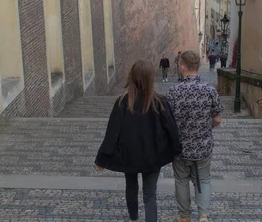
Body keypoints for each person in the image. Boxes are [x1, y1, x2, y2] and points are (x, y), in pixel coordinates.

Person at [95, 59, 182, 222]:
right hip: (153, 155)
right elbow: (171, 128)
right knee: (150, 194)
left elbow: (112, 133)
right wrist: (177, 149)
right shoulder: (160, 102)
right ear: (151, 78)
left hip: (129, 154)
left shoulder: (122, 102)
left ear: (132, 77)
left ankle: (134, 219)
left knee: (131, 187)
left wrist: (101, 158)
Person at [166, 50, 223, 222]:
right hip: (203, 145)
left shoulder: (173, 92)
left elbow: (166, 122)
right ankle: (203, 215)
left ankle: (184, 216)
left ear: (182, 67)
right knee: (204, 179)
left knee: (181, 181)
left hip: (180, 148)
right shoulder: (209, 90)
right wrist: (208, 126)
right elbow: (218, 119)